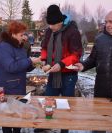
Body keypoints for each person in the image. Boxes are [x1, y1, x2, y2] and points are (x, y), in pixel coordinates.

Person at [40, 4, 82, 133]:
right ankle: (44, 127)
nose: (51, 27)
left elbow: (76, 54)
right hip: (53, 73)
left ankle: (65, 129)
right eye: (50, 24)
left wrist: (61, 64)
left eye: (54, 24)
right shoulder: (49, 31)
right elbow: (45, 48)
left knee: (66, 104)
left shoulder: (72, 31)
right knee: (48, 101)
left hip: (68, 74)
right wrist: (44, 61)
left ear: (60, 21)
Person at [0, 21, 41, 133]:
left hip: (19, 87)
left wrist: (34, 63)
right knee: (7, 118)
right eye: (21, 35)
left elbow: (23, 66)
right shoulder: (3, 47)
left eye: (24, 34)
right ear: (13, 34)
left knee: (19, 116)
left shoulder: (20, 47)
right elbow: (10, 66)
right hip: (7, 88)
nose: (24, 37)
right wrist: (29, 60)